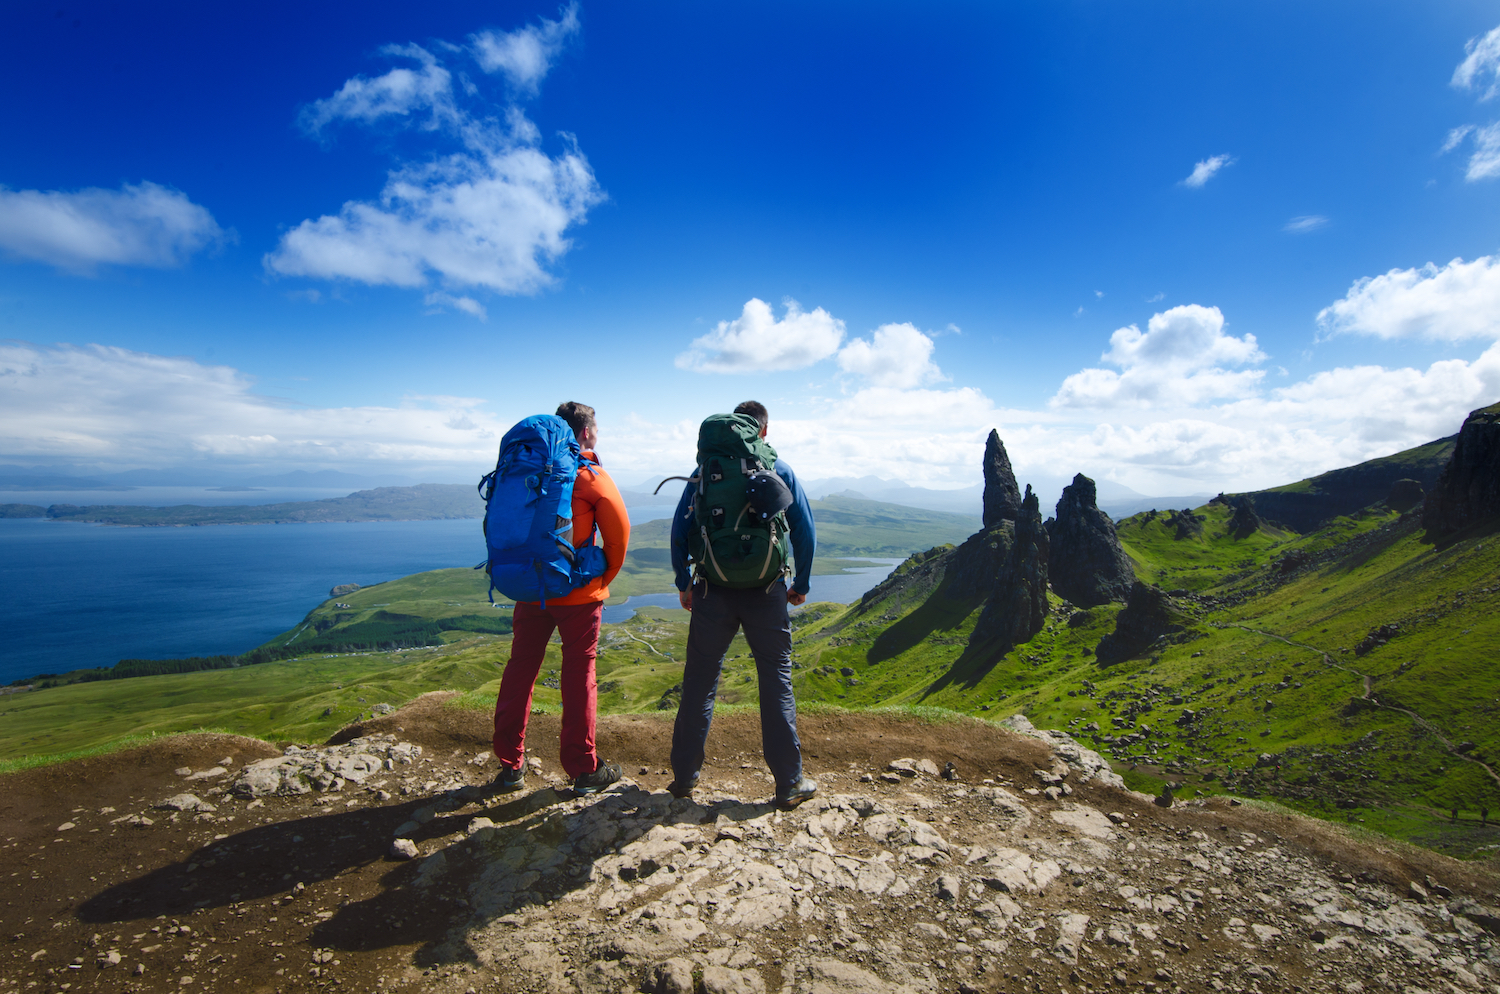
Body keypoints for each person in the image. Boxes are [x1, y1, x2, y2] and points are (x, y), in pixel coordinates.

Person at [668, 400, 819, 808]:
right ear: (763, 431)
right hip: (767, 592)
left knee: (699, 684)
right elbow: (805, 530)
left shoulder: (705, 472)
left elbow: (680, 529)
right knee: (775, 681)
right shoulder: (779, 469)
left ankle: (683, 779)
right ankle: (789, 782)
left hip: (711, 591)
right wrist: (800, 583)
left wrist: (685, 582)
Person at [491, 401, 630, 794]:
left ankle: (509, 766)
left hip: (531, 589)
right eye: (596, 429)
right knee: (578, 676)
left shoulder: (528, 470)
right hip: (579, 595)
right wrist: (603, 578)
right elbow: (619, 535)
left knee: (521, 669)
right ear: (585, 432)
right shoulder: (589, 476)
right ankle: (584, 770)